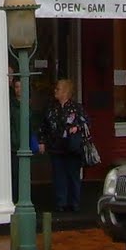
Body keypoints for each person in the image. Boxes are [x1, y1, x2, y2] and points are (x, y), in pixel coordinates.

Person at [39, 77, 91, 213]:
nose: (55, 91)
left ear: (66, 92)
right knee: (59, 176)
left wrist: (76, 127)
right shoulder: (51, 108)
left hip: (72, 148)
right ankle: (61, 203)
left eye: (58, 89)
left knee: (73, 175)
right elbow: (44, 126)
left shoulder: (76, 108)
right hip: (56, 147)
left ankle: (74, 203)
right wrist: (42, 141)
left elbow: (86, 123)